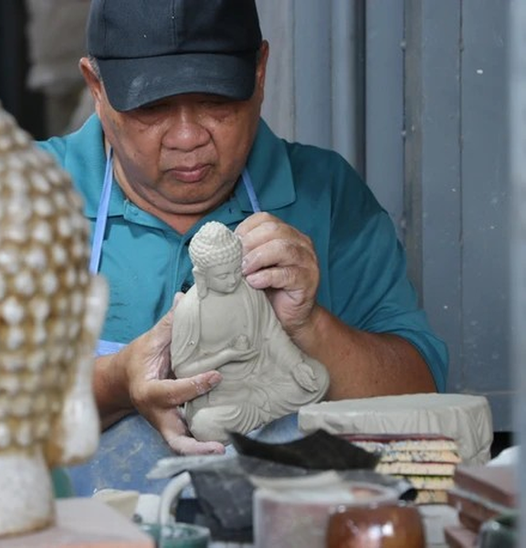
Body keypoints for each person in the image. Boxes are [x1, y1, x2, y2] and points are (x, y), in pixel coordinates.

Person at [38, 0, 448, 495]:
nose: (188, 137)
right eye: (152, 107)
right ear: (96, 87)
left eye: (217, 102)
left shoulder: (325, 194)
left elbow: (421, 403)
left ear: (259, 73)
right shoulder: (26, 196)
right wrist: (114, 383)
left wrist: (311, 327)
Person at [171, 221, 329, 444]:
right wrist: (227, 355)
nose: (233, 279)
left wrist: (295, 365)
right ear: (201, 276)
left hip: (261, 378)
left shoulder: (249, 291)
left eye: (236, 270)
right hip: (221, 394)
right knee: (205, 425)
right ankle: (260, 416)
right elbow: (183, 370)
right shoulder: (191, 309)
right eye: (223, 276)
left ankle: (259, 413)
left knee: (318, 376)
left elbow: (271, 335)